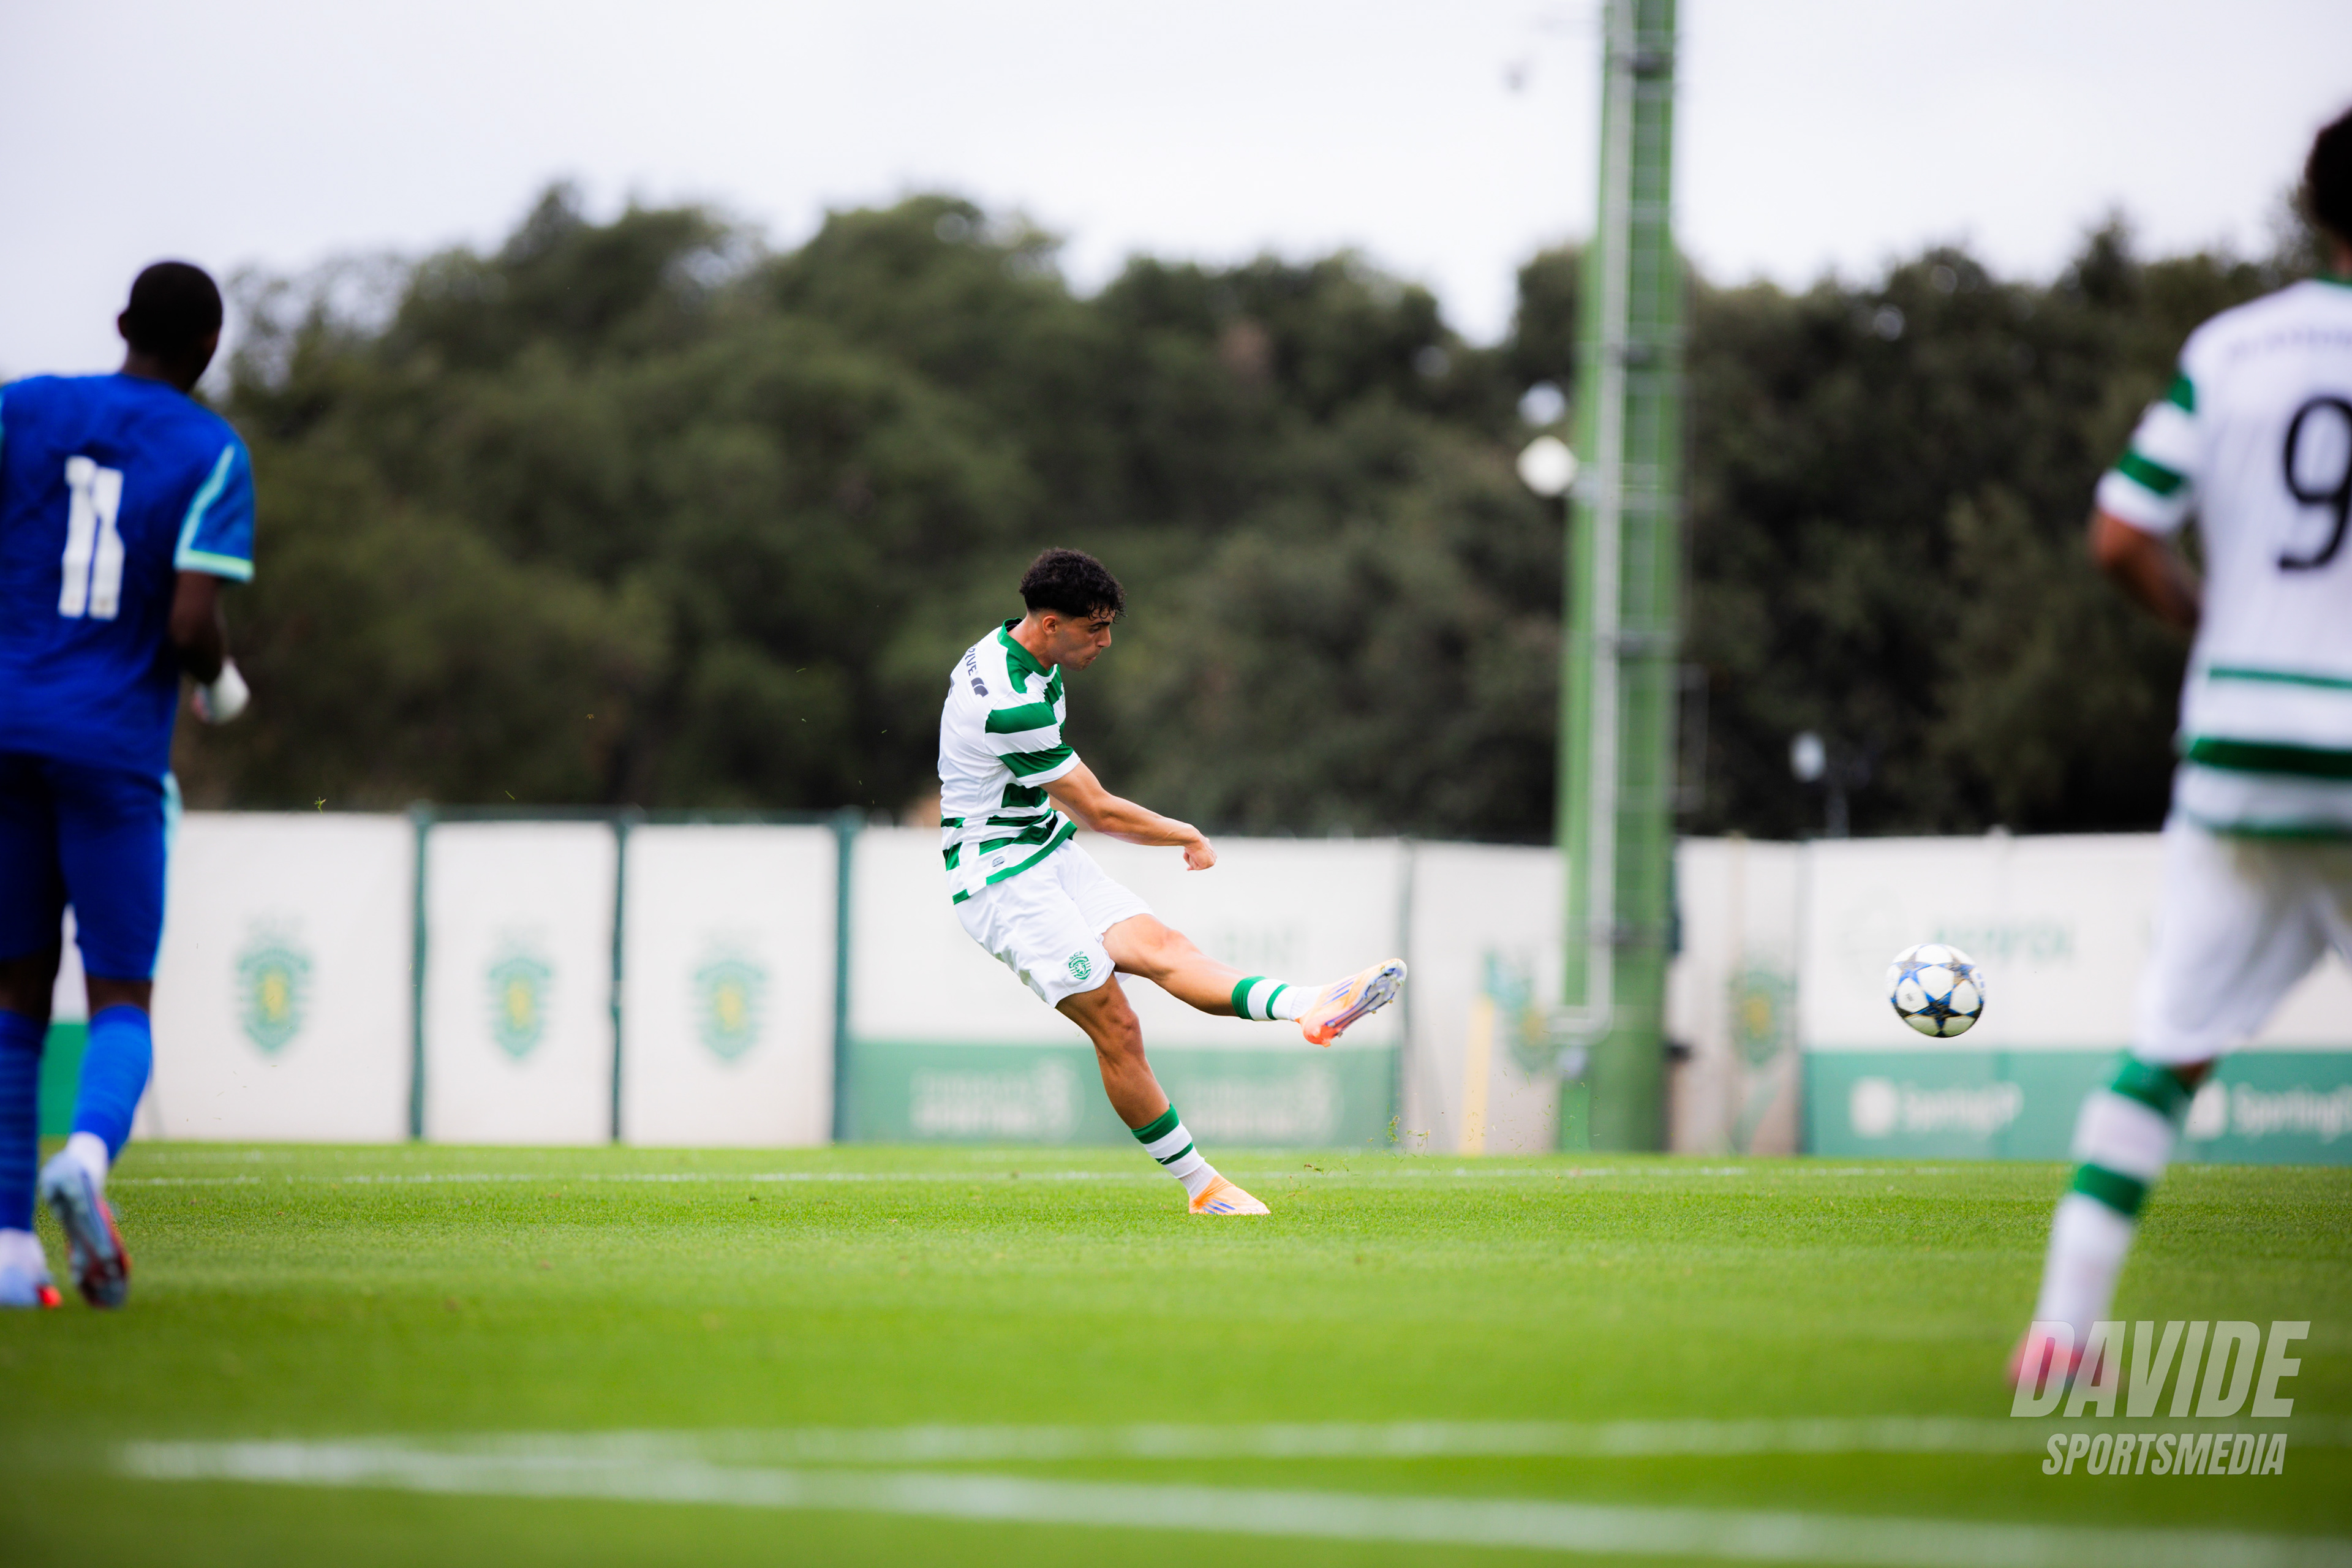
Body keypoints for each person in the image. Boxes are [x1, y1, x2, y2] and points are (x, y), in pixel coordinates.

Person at [2015, 107, 2352, 1385]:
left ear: (2313, 207)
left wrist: (2208, 619)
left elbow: (2120, 532)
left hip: (2245, 739)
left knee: (2165, 1051)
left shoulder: (2234, 349)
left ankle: (2062, 1333)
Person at [938, 548, 1405, 1215]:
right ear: (1049, 624)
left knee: (1165, 949)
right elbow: (1099, 811)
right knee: (1117, 1026)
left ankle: (1309, 1004)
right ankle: (1202, 1187)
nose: (1106, 642)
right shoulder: (1010, 703)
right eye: (1095, 629)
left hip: (1045, 849)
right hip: (1000, 880)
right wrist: (1184, 832)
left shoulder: (1025, 651)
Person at [0, 262, 255, 1309]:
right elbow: (191, 623)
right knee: (119, 997)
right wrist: (222, 686)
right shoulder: (211, 450)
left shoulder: (22, 410)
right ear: (207, 349)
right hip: (110, 752)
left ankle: (10, 1255)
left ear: (121, 324)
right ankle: (87, 1159)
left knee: (14, 995)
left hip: (5, 733)